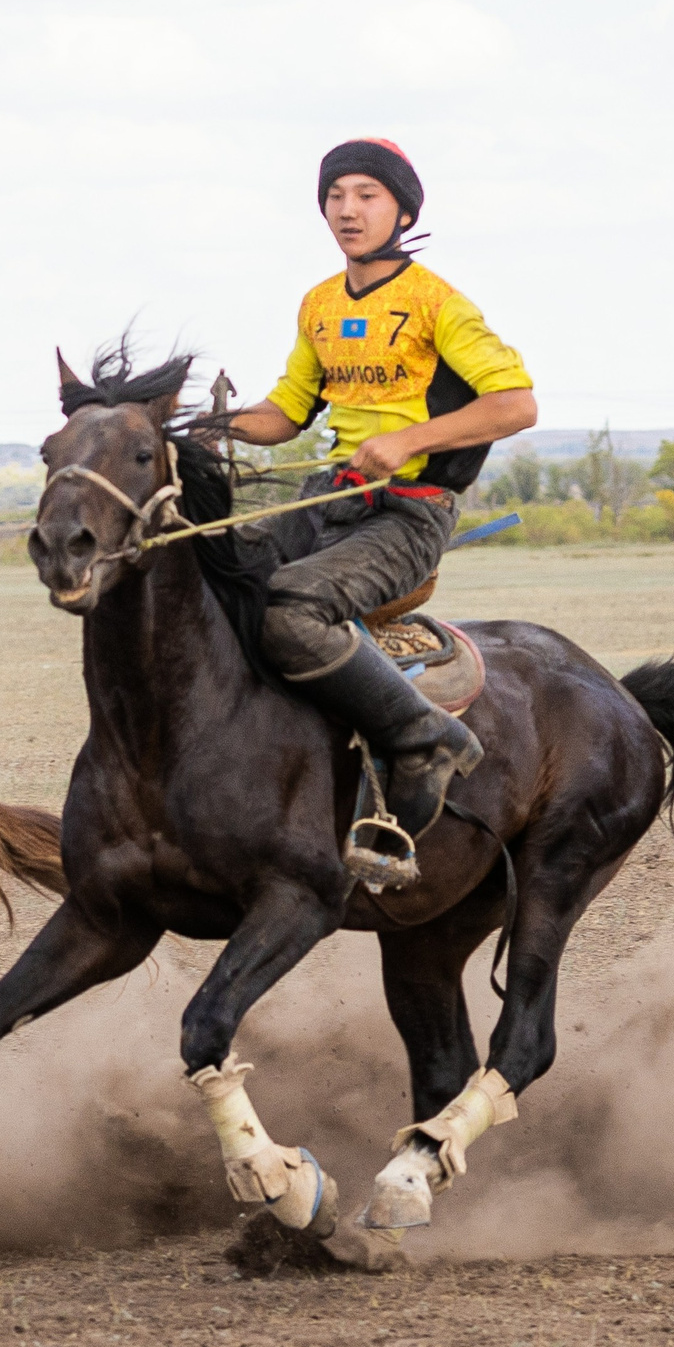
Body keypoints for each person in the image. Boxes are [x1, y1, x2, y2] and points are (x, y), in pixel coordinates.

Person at [223, 137, 538, 854]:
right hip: (324, 499)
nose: (347, 210)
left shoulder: (438, 304)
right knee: (211, 577)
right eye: (335, 196)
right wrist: (202, 426)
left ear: (401, 207)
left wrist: (409, 440)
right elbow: (282, 414)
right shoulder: (320, 304)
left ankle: (425, 738)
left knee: (293, 607)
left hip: (409, 511)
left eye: (366, 194)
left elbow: (518, 405)